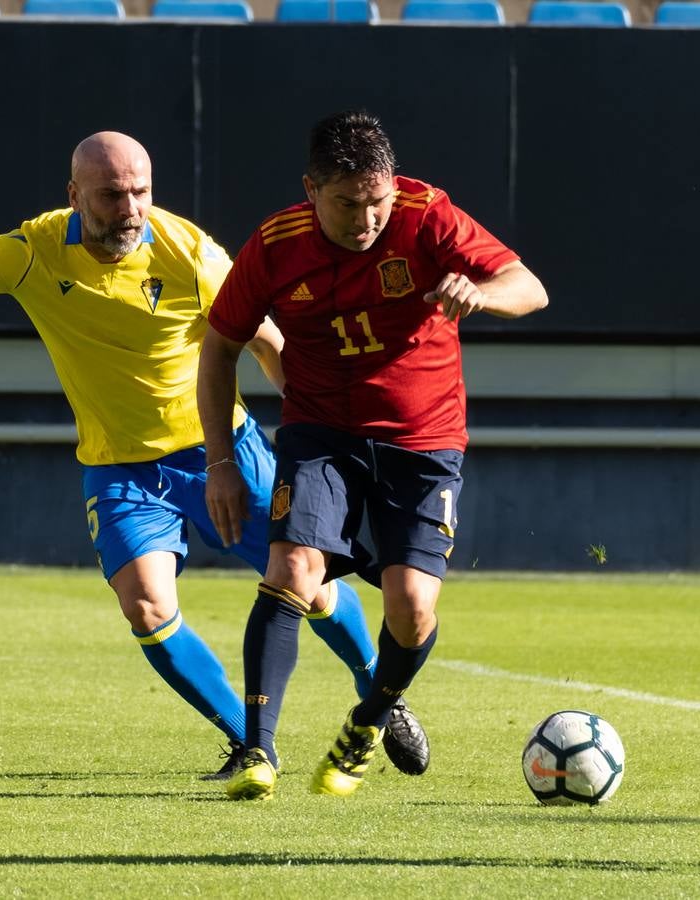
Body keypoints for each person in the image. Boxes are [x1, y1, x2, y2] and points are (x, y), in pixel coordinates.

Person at [0, 131, 427, 780]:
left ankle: (380, 690)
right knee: (145, 606)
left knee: (308, 586)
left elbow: (267, 343)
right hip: (119, 469)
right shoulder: (30, 251)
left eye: (140, 191)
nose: (129, 208)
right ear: (74, 195)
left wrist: (319, 435)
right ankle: (251, 744)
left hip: (219, 450)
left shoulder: (190, 253)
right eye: (112, 194)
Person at [198, 110, 548, 800]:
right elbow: (219, 351)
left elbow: (529, 287)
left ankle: (369, 720)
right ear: (311, 190)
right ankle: (257, 753)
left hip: (423, 443)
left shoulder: (427, 214)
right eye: (347, 203)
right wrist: (220, 463)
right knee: (293, 568)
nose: (366, 219)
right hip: (321, 433)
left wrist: (480, 293)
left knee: (412, 607)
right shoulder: (275, 243)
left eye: (377, 202)